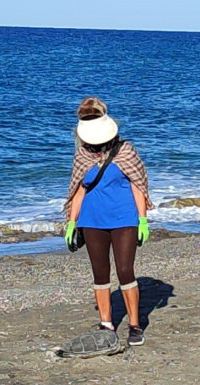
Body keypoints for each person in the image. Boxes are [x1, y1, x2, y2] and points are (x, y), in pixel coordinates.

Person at [63, 97, 154, 346]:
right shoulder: (82, 155)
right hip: (92, 221)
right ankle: (106, 323)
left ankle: (134, 325)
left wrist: (143, 220)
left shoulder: (126, 151)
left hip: (124, 218)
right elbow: (78, 191)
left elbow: (139, 186)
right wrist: (71, 222)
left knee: (125, 271)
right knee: (100, 273)